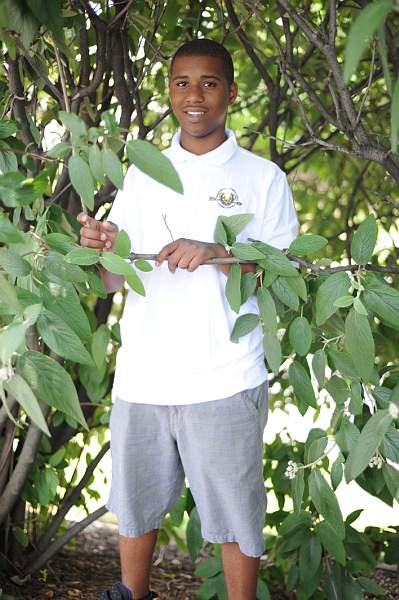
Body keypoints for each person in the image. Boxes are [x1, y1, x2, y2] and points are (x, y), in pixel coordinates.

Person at [78, 38, 298, 600]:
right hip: (145, 374)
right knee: (135, 508)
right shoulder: (143, 172)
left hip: (224, 375)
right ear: (169, 90)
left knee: (234, 516)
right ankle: (132, 595)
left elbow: (284, 282)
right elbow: (112, 277)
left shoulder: (262, 177)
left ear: (230, 92)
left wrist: (218, 253)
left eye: (208, 83)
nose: (194, 96)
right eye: (181, 83)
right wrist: (99, 246)